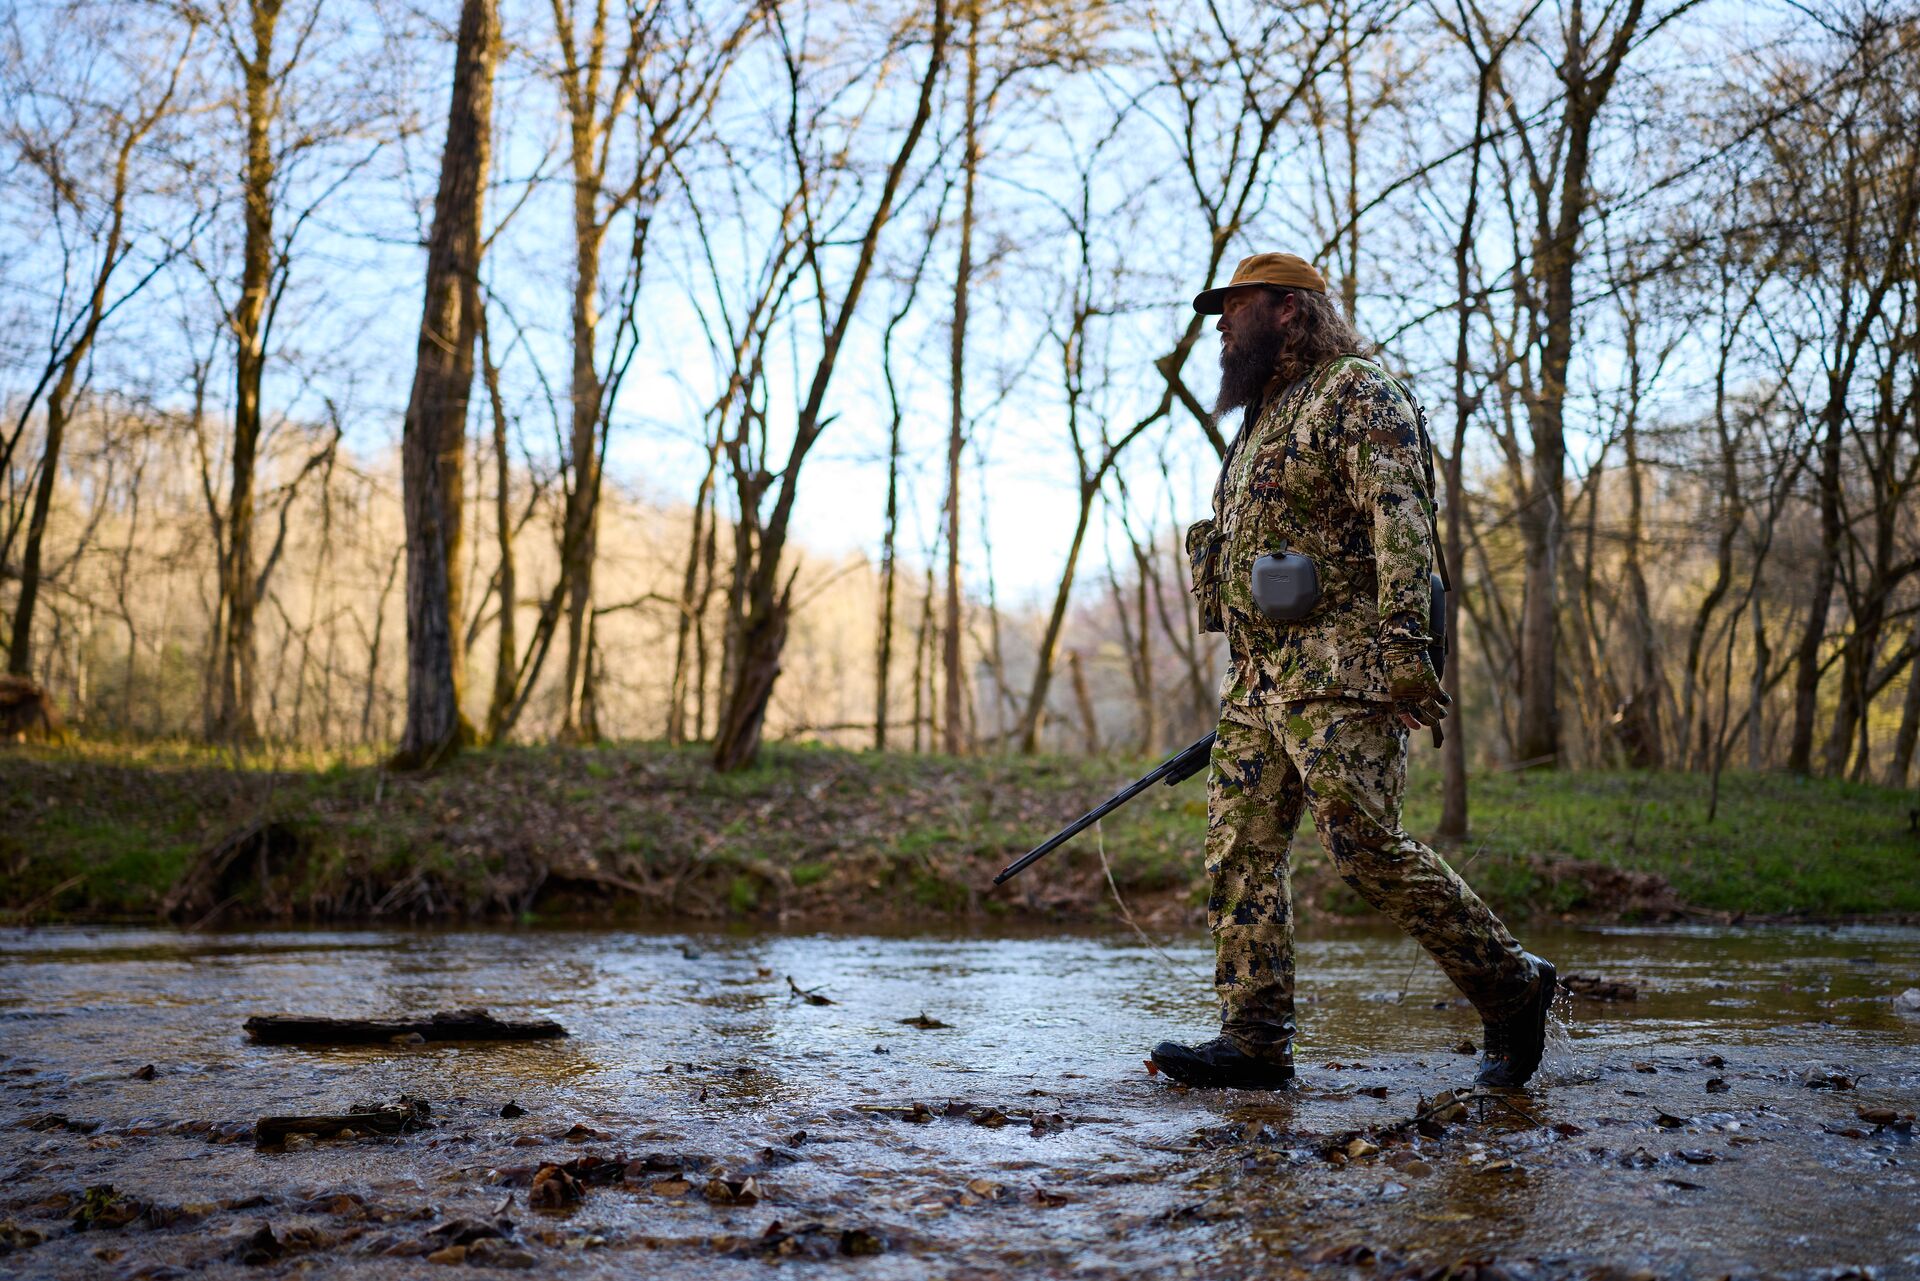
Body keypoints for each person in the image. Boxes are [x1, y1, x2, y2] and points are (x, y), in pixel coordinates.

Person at [1150, 252, 1556, 1091]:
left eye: (1236, 306)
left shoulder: (1358, 392)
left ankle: (1512, 987)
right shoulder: (1262, 416)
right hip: (1258, 687)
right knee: (1238, 850)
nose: (1221, 323)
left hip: (1345, 673)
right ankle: (1255, 1039)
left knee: (1366, 846)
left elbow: (1401, 520)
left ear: (1289, 310)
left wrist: (1409, 654)